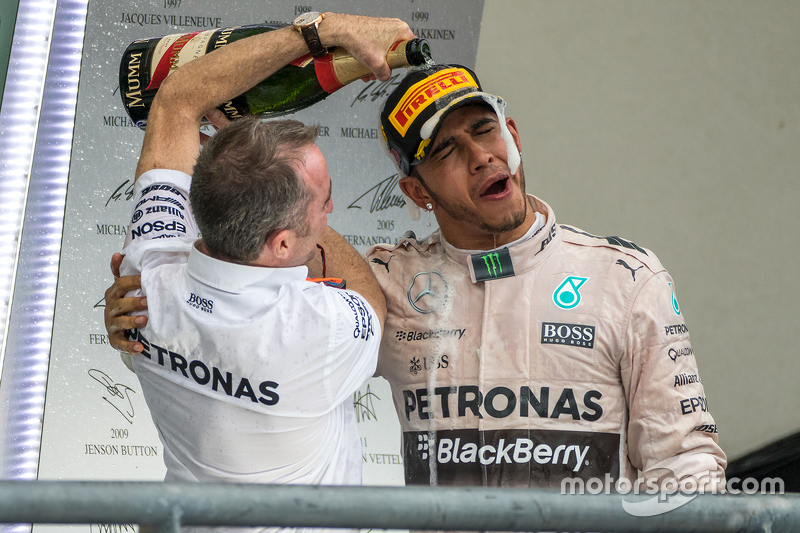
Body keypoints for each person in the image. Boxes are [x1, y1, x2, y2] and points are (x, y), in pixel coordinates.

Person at [107, 60, 726, 490]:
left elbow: (686, 459)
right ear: (415, 191)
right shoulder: (385, 282)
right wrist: (137, 313)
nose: (480, 154)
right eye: (445, 152)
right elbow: (246, 273)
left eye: (484, 130)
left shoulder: (625, 275)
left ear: (511, 136)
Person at [105, 12, 413, 526]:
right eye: (325, 203)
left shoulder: (147, 279)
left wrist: (322, 32)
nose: (331, 212)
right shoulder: (324, 328)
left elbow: (177, 100)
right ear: (282, 243)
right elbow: (372, 303)